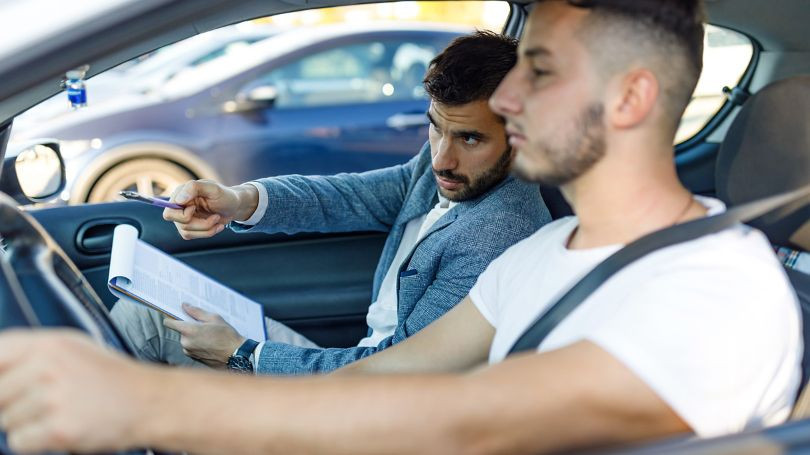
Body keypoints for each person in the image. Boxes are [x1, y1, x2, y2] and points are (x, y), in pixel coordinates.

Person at [0, 1, 802, 453]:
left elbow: (466, 421)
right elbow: (386, 379)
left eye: (540, 71)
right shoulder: (545, 256)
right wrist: (222, 383)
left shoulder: (718, 292)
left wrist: (145, 402)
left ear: (628, 99)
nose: (511, 99)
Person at [109, 31, 550, 375]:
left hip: (372, 411)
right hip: (353, 369)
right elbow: (348, 195)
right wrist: (239, 200)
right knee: (140, 311)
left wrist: (245, 356)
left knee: (145, 332)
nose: (442, 158)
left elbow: (400, 374)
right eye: (435, 127)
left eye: (470, 138)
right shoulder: (446, 165)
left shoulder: (500, 234)